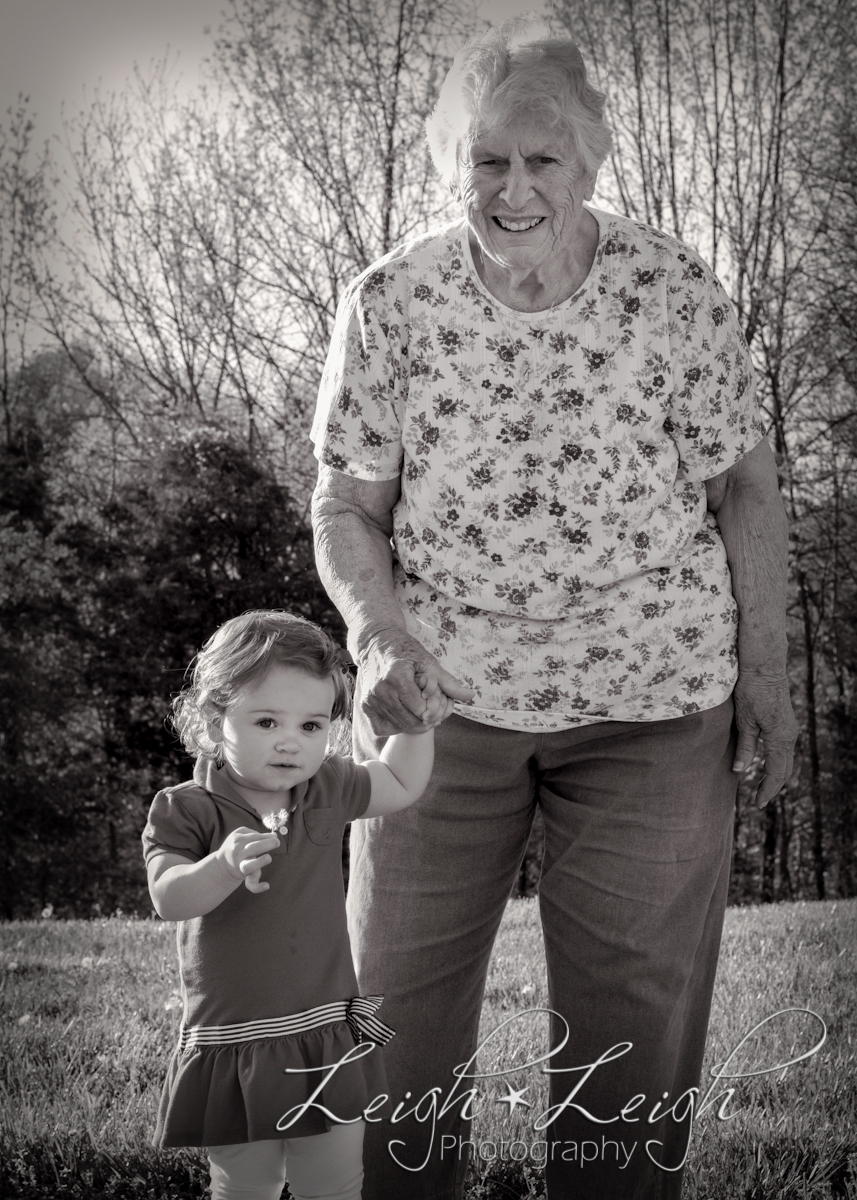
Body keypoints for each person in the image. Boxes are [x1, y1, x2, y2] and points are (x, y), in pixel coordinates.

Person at [310, 16, 798, 1200]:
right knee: (393, 1029)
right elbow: (346, 504)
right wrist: (376, 636)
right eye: (486, 159)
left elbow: (742, 485)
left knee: (628, 1059)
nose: (513, 187)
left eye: (541, 160)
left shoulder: (671, 290)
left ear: (589, 165)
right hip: (443, 705)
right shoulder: (394, 300)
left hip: (652, 710)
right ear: (451, 167)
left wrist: (767, 679)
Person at [142, 610, 443, 1200]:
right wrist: (223, 865)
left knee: (333, 1185)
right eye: (266, 721)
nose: (290, 741)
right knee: (245, 1187)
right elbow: (169, 898)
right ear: (212, 718)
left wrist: (417, 722)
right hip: (235, 1042)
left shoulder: (325, 786)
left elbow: (400, 784)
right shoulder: (186, 809)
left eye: (311, 726)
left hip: (324, 1032)